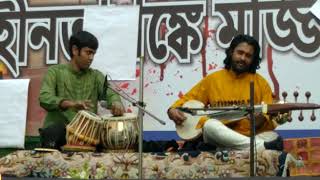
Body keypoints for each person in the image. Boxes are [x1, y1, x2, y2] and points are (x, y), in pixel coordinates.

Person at [167, 34, 286, 151]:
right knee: (209, 126)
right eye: (240, 53)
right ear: (231, 52)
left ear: (253, 59)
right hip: (218, 136)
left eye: (248, 56)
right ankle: (259, 147)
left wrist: (257, 119)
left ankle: (245, 146)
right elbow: (186, 101)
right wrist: (172, 110)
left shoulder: (261, 83)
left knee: (272, 136)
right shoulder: (213, 80)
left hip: (250, 136)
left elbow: (262, 120)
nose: (243, 58)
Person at [39, 30, 125, 149]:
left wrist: (116, 102)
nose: (91, 58)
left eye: (93, 54)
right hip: (60, 133)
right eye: (88, 52)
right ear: (75, 50)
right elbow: (44, 98)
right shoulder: (55, 72)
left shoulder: (95, 76)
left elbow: (110, 94)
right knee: (54, 131)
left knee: (114, 137)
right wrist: (70, 104)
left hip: (87, 134)